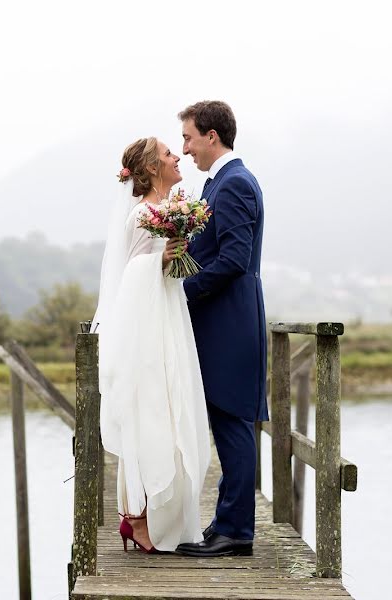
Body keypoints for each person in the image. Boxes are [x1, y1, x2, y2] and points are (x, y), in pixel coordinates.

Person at [92, 136, 211, 553]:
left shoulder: (168, 212)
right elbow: (130, 276)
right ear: (152, 168)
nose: (176, 156)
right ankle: (136, 517)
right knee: (151, 414)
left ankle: (163, 515)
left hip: (169, 317)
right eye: (167, 154)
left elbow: (167, 272)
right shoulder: (142, 215)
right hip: (146, 328)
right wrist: (162, 259)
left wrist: (174, 257)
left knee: (176, 409)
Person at [173, 101, 268, 558]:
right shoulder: (220, 184)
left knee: (232, 422)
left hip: (230, 321)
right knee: (224, 420)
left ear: (212, 135)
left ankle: (237, 533)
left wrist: (181, 292)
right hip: (221, 321)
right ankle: (226, 523)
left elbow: (233, 260)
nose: (185, 148)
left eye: (189, 137)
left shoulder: (234, 185)